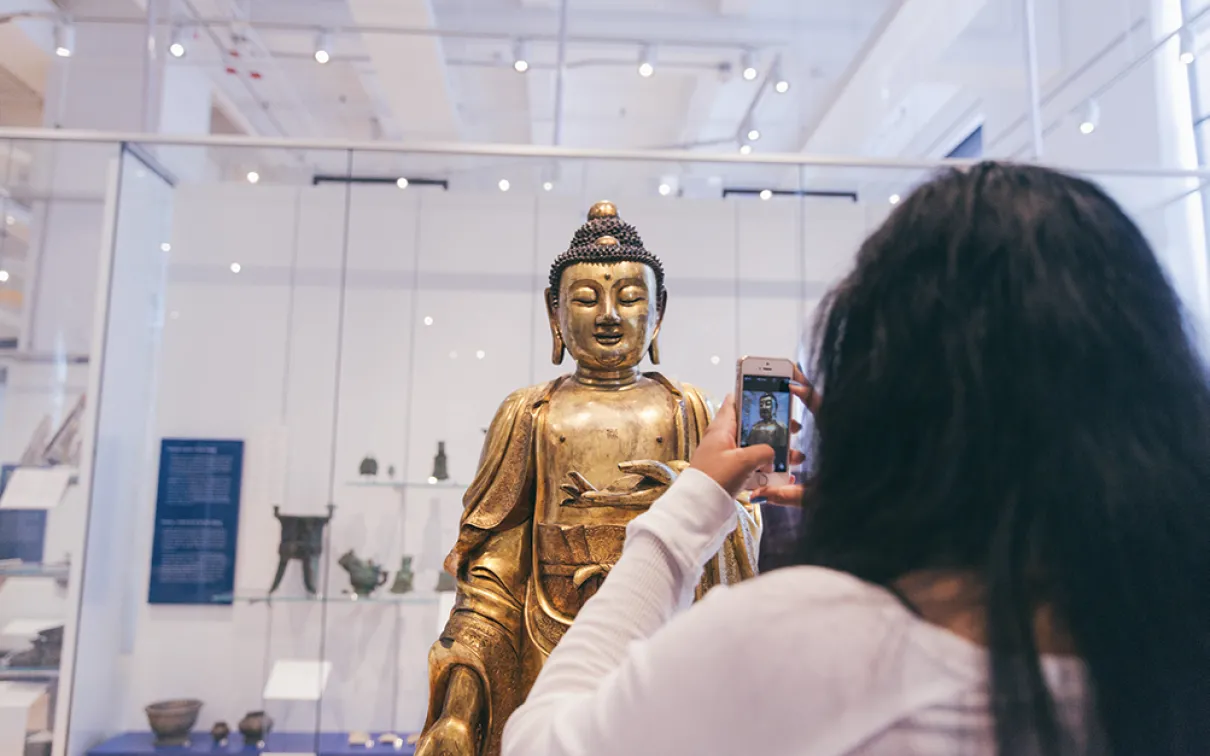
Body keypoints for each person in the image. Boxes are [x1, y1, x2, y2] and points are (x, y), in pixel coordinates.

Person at [501, 162, 1210, 756]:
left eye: (629, 297)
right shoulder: (1174, 646)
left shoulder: (801, 642)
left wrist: (691, 503)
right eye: (585, 298)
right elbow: (494, 543)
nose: (607, 316)